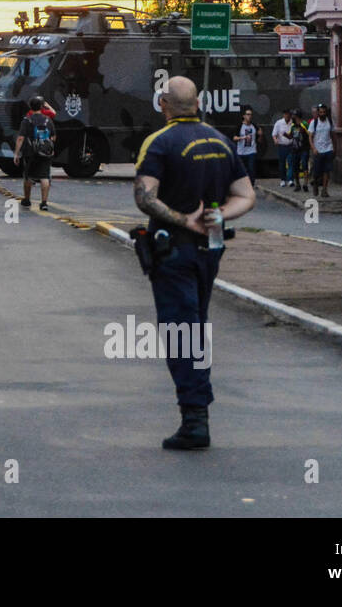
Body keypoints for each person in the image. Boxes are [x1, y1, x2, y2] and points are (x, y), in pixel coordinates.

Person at [132, 76, 255, 451]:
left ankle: (194, 419)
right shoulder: (220, 141)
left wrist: (185, 219)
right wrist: (218, 217)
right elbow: (246, 195)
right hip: (212, 247)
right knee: (196, 325)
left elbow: (144, 197)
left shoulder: (159, 143)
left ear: (163, 104)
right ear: (198, 104)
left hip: (175, 249)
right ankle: (197, 410)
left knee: (180, 330)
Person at [13, 95, 56, 210]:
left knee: (28, 176)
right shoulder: (48, 120)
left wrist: (16, 153)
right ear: (41, 106)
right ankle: (44, 203)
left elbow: (21, 138)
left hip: (30, 152)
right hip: (46, 152)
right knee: (45, 177)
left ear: (30, 107)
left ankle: (27, 200)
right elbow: (53, 137)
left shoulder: (27, 120)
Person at [308, 103, 335, 199]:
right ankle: (315, 183)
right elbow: (310, 137)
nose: (322, 114)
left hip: (328, 149)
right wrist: (313, 148)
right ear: (318, 113)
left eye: (324, 112)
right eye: (320, 112)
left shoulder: (330, 122)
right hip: (318, 150)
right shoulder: (314, 123)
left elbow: (333, 135)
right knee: (316, 172)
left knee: (327, 171)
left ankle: (324, 189)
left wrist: (334, 148)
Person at [232, 107, 257, 184]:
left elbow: (258, 137)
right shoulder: (240, 126)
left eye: (251, 115)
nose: (250, 116)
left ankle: (251, 184)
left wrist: (261, 135)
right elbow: (234, 138)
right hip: (241, 152)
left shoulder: (254, 126)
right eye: (248, 114)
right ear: (244, 116)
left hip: (251, 151)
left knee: (251, 168)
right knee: (241, 169)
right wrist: (243, 138)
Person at [288, 108, 311, 192]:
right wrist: (285, 135)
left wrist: (304, 130)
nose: (292, 117)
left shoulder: (304, 124)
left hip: (304, 148)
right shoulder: (293, 126)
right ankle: (297, 184)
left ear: (297, 116)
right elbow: (290, 136)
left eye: (293, 116)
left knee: (304, 165)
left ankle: (305, 184)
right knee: (295, 167)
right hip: (295, 149)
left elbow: (310, 134)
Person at [272, 109, 293, 187]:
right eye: (285, 114)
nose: (287, 116)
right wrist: (275, 140)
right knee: (282, 163)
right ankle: (283, 180)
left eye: (288, 114)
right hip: (282, 146)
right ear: (283, 115)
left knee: (291, 162)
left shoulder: (292, 122)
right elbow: (274, 134)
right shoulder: (279, 123)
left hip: (291, 145)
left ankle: (290, 179)